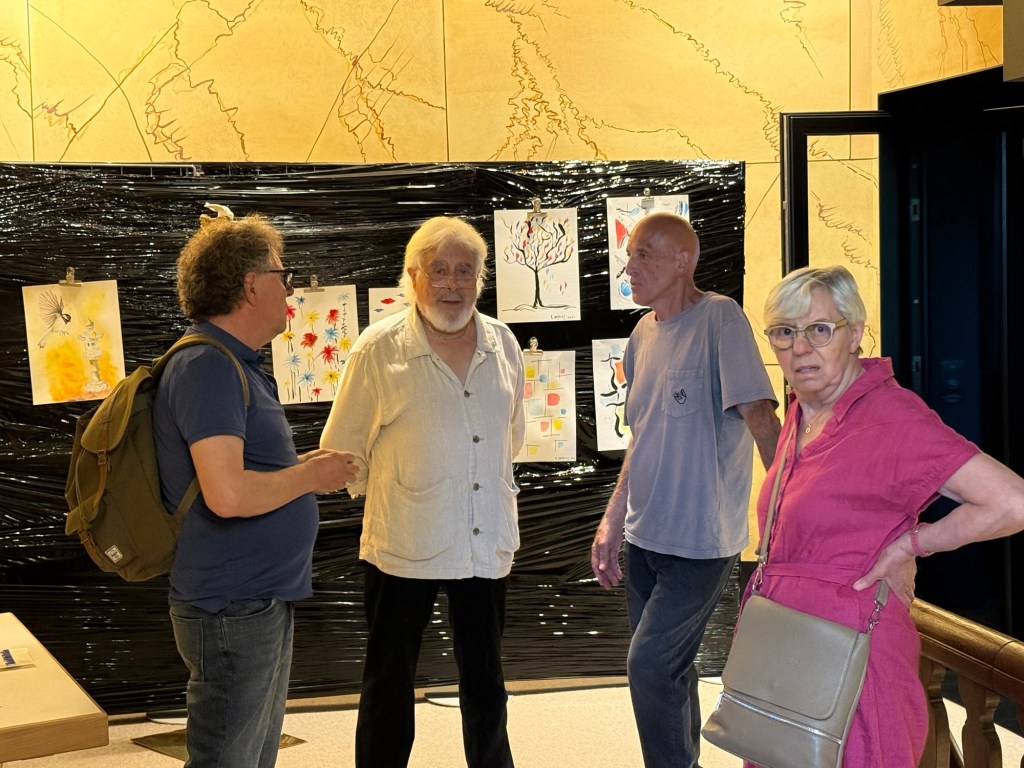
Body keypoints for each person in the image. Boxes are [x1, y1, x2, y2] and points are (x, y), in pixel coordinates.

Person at [746, 264, 1024, 766]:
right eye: (784, 332)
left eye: (819, 329)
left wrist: (911, 545)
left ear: (855, 334)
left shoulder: (892, 417)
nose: (800, 348)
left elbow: (1011, 502)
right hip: (786, 650)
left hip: (853, 662)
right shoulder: (803, 410)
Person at [153, 208, 358, 768]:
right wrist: (309, 477)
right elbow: (228, 496)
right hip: (232, 606)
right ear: (250, 285)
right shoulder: (208, 366)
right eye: (281, 275)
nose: (289, 289)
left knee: (251, 756)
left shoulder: (230, 362)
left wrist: (302, 468)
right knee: (229, 759)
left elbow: (240, 475)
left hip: (251, 600)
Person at [319, 216, 525, 768]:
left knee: (486, 679)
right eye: (439, 270)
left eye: (465, 271)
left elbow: (511, 435)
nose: (453, 284)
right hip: (403, 542)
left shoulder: (504, 343)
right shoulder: (378, 348)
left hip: (484, 538)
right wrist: (401, 493)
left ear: (480, 278)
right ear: (412, 277)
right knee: (389, 679)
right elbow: (342, 451)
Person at [590, 212, 781, 768]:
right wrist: (611, 521)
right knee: (670, 671)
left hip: (701, 543)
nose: (630, 266)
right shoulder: (640, 335)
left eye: (644, 254)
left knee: (649, 667)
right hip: (644, 537)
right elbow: (641, 438)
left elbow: (762, 419)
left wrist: (789, 514)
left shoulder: (720, 318)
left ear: (683, 260)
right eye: (629, 255)